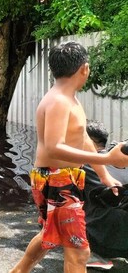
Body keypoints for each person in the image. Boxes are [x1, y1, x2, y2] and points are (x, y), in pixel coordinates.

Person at [10, 41, 128, 273]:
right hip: (56, 179)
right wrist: (109, 159)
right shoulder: (59, 102)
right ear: (84, 68)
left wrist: (104, 175)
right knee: (79, 251)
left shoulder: (70, 99)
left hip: (64, 178)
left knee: (50, 236)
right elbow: (54, 147)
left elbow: (83, 138)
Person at [83, 120, 128, 269]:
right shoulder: (121, 161)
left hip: (103, 241)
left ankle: (87, 254)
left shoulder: (82, 165)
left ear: (87, 142)